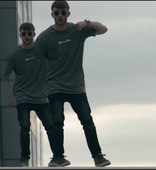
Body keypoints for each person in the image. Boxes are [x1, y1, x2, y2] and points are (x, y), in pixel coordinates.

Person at [35, 0, 110, 167]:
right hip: (54, 86)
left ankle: (98, 156)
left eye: (63, 13)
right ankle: (58, 157)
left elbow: (103, 29)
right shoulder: (45, 37)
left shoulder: (77, 30)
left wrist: (87, 23)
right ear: (52, 14)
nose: (60, 16)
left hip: (76, 86)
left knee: (86, 120)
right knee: (56, 122)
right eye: (56, 13)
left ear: (68, 13)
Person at [4, 23, 65, 167]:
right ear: (20, 35)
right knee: (25, 127)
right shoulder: (14, 55)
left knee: (50, 125)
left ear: (34, 34)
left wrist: (51, 85)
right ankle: (25, 158)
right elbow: (6, 75)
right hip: (22, 96)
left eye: (29, 34)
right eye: (24, 34)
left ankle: (58, 156)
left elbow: (55, 59)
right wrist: (9, 96)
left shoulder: (40, 52)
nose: (26, 37)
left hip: (40, 97)